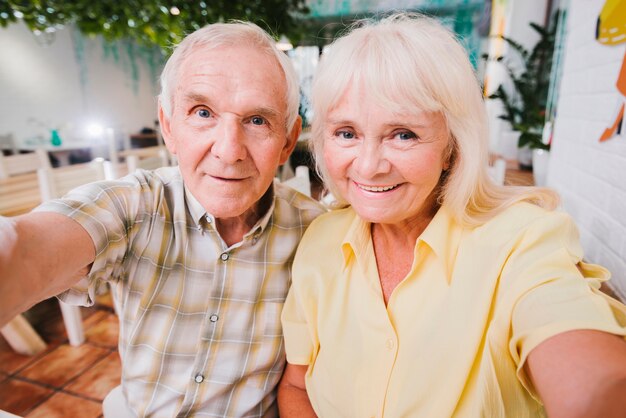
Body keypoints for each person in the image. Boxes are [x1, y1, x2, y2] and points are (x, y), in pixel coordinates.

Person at [278, 13, 626, 418]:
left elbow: (594, 383)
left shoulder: (522, 241)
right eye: (347, 133)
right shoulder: (320, 239)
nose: (369, 166)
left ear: (452, 147)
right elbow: (297, 384)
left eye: (403, 134)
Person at [0, 21, 325, 417]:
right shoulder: (137, 204)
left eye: (257, 120)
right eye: (202, 112)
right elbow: (26, 249)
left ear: (288, 141)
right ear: (169, 126)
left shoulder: (316, 232)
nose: (228, 150)